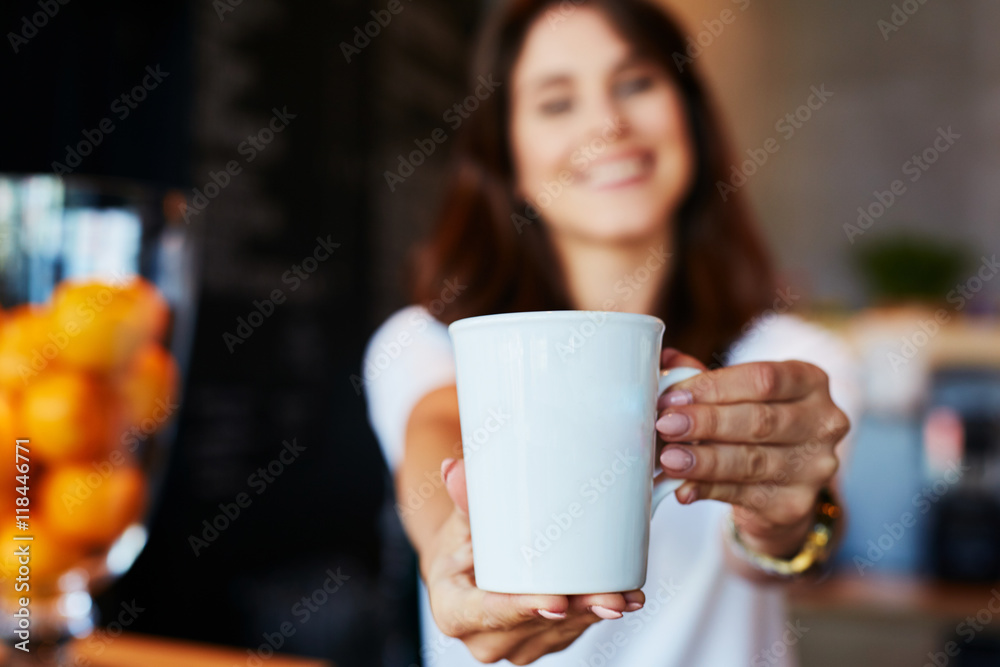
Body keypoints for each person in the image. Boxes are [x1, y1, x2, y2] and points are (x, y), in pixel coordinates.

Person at [364, 0, 860, 664]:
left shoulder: (787, 357)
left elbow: (763, 561)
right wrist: (447, 553)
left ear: (690, 115)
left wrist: (785, 522)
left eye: (636, 83)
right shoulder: (422, 340)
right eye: (556, 102)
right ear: (506, 156)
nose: (608, 123)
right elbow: (439, 423)